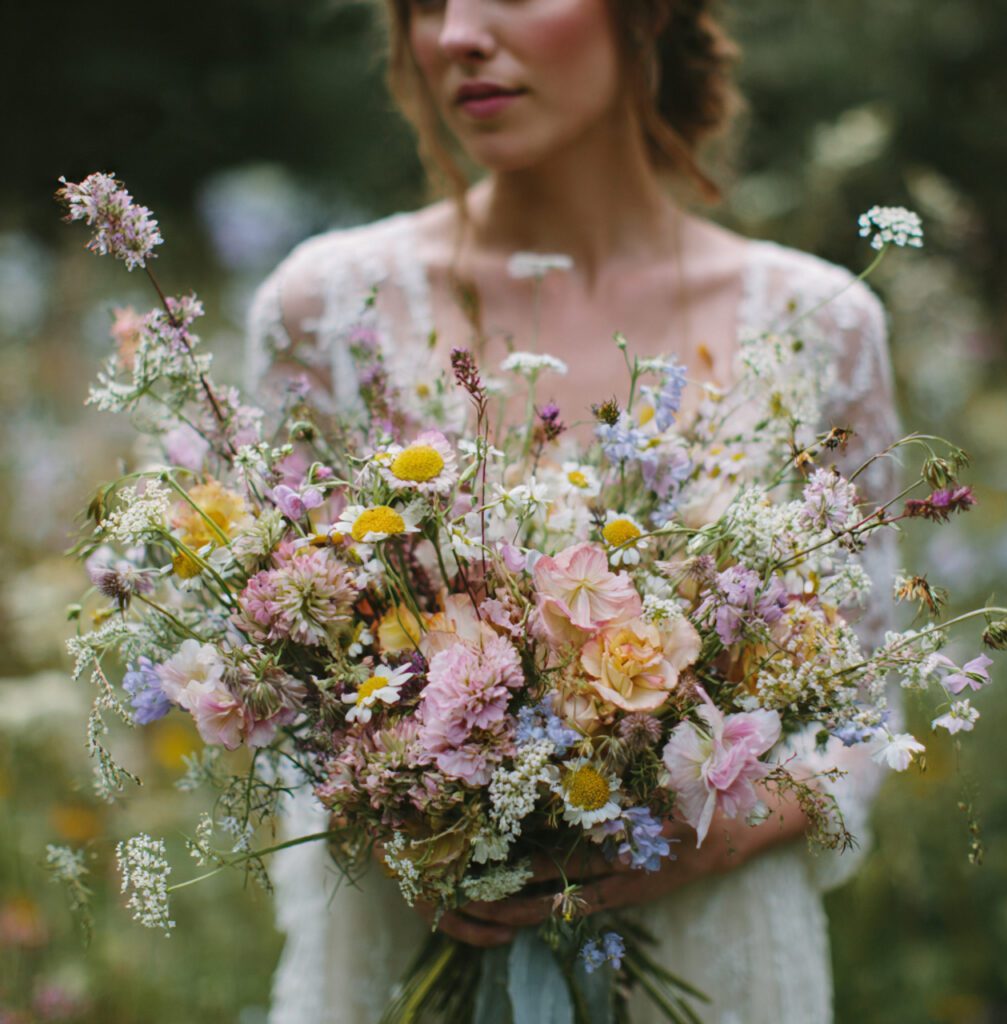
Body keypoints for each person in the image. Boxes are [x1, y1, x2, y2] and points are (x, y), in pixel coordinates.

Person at [247, 1, 900, 1020]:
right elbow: (277, 676)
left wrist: (712, 826)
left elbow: (868, 707)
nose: (457, 32)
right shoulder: (324, 311)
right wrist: (416, 813)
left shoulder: (820, 323)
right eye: (424, 3)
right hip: (404, 959)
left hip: (714, 958)